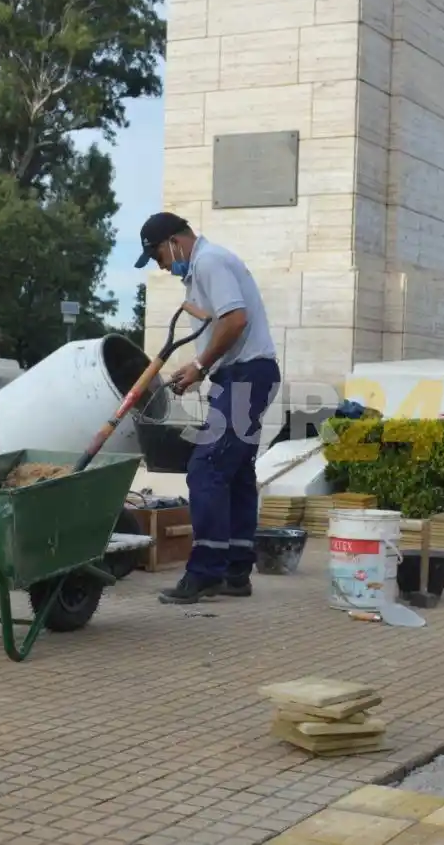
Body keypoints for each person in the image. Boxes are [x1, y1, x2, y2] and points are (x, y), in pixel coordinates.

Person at [133, 212, 282, 605]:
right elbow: (225, 328)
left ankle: (205, 572)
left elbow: (235, 320)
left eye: (159, 257)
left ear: (174, 242)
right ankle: (235, 571)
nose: (162, 267)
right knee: (236, 472)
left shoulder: (209, 261)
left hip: (247, 375)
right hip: (243, 375)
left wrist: (200, 365)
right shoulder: (204, 266)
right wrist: (200, 369)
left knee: (207, 467)